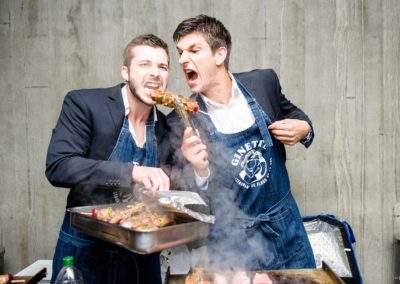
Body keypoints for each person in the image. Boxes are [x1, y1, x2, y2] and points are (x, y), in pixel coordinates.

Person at [167, 15, 316, 271]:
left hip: (285, 228)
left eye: (193, 50)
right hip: (232, 242)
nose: (182, 60)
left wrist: (305, 128)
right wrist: (199, 171)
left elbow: (296, 116)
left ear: (219, 54)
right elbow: (184, 201)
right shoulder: (180, 120)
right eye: (180, 53)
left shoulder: (263, 83)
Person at [45, 34, 171, 284]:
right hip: (85, 253)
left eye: (163, 66)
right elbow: (58, 166)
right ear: (126, 72)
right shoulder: (85, 104)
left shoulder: (164, 126)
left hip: (140, 261)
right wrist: (131, 173)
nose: (155, 73)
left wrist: (198, 167)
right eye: (145, 64)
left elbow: (171, 187)